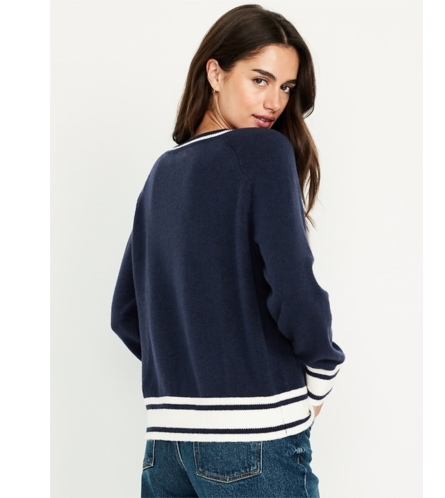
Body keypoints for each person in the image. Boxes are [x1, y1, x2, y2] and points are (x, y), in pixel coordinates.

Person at [111, 4, 345, 497]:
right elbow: (293, 286)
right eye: (260, 80)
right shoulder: (263, 152)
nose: (275, 102)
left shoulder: (161, 173)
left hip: (165, 448)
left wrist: (192, 371)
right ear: (215, 73)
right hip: (252, 442)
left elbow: (126, 314)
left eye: (286, 87)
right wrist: (321, 372)